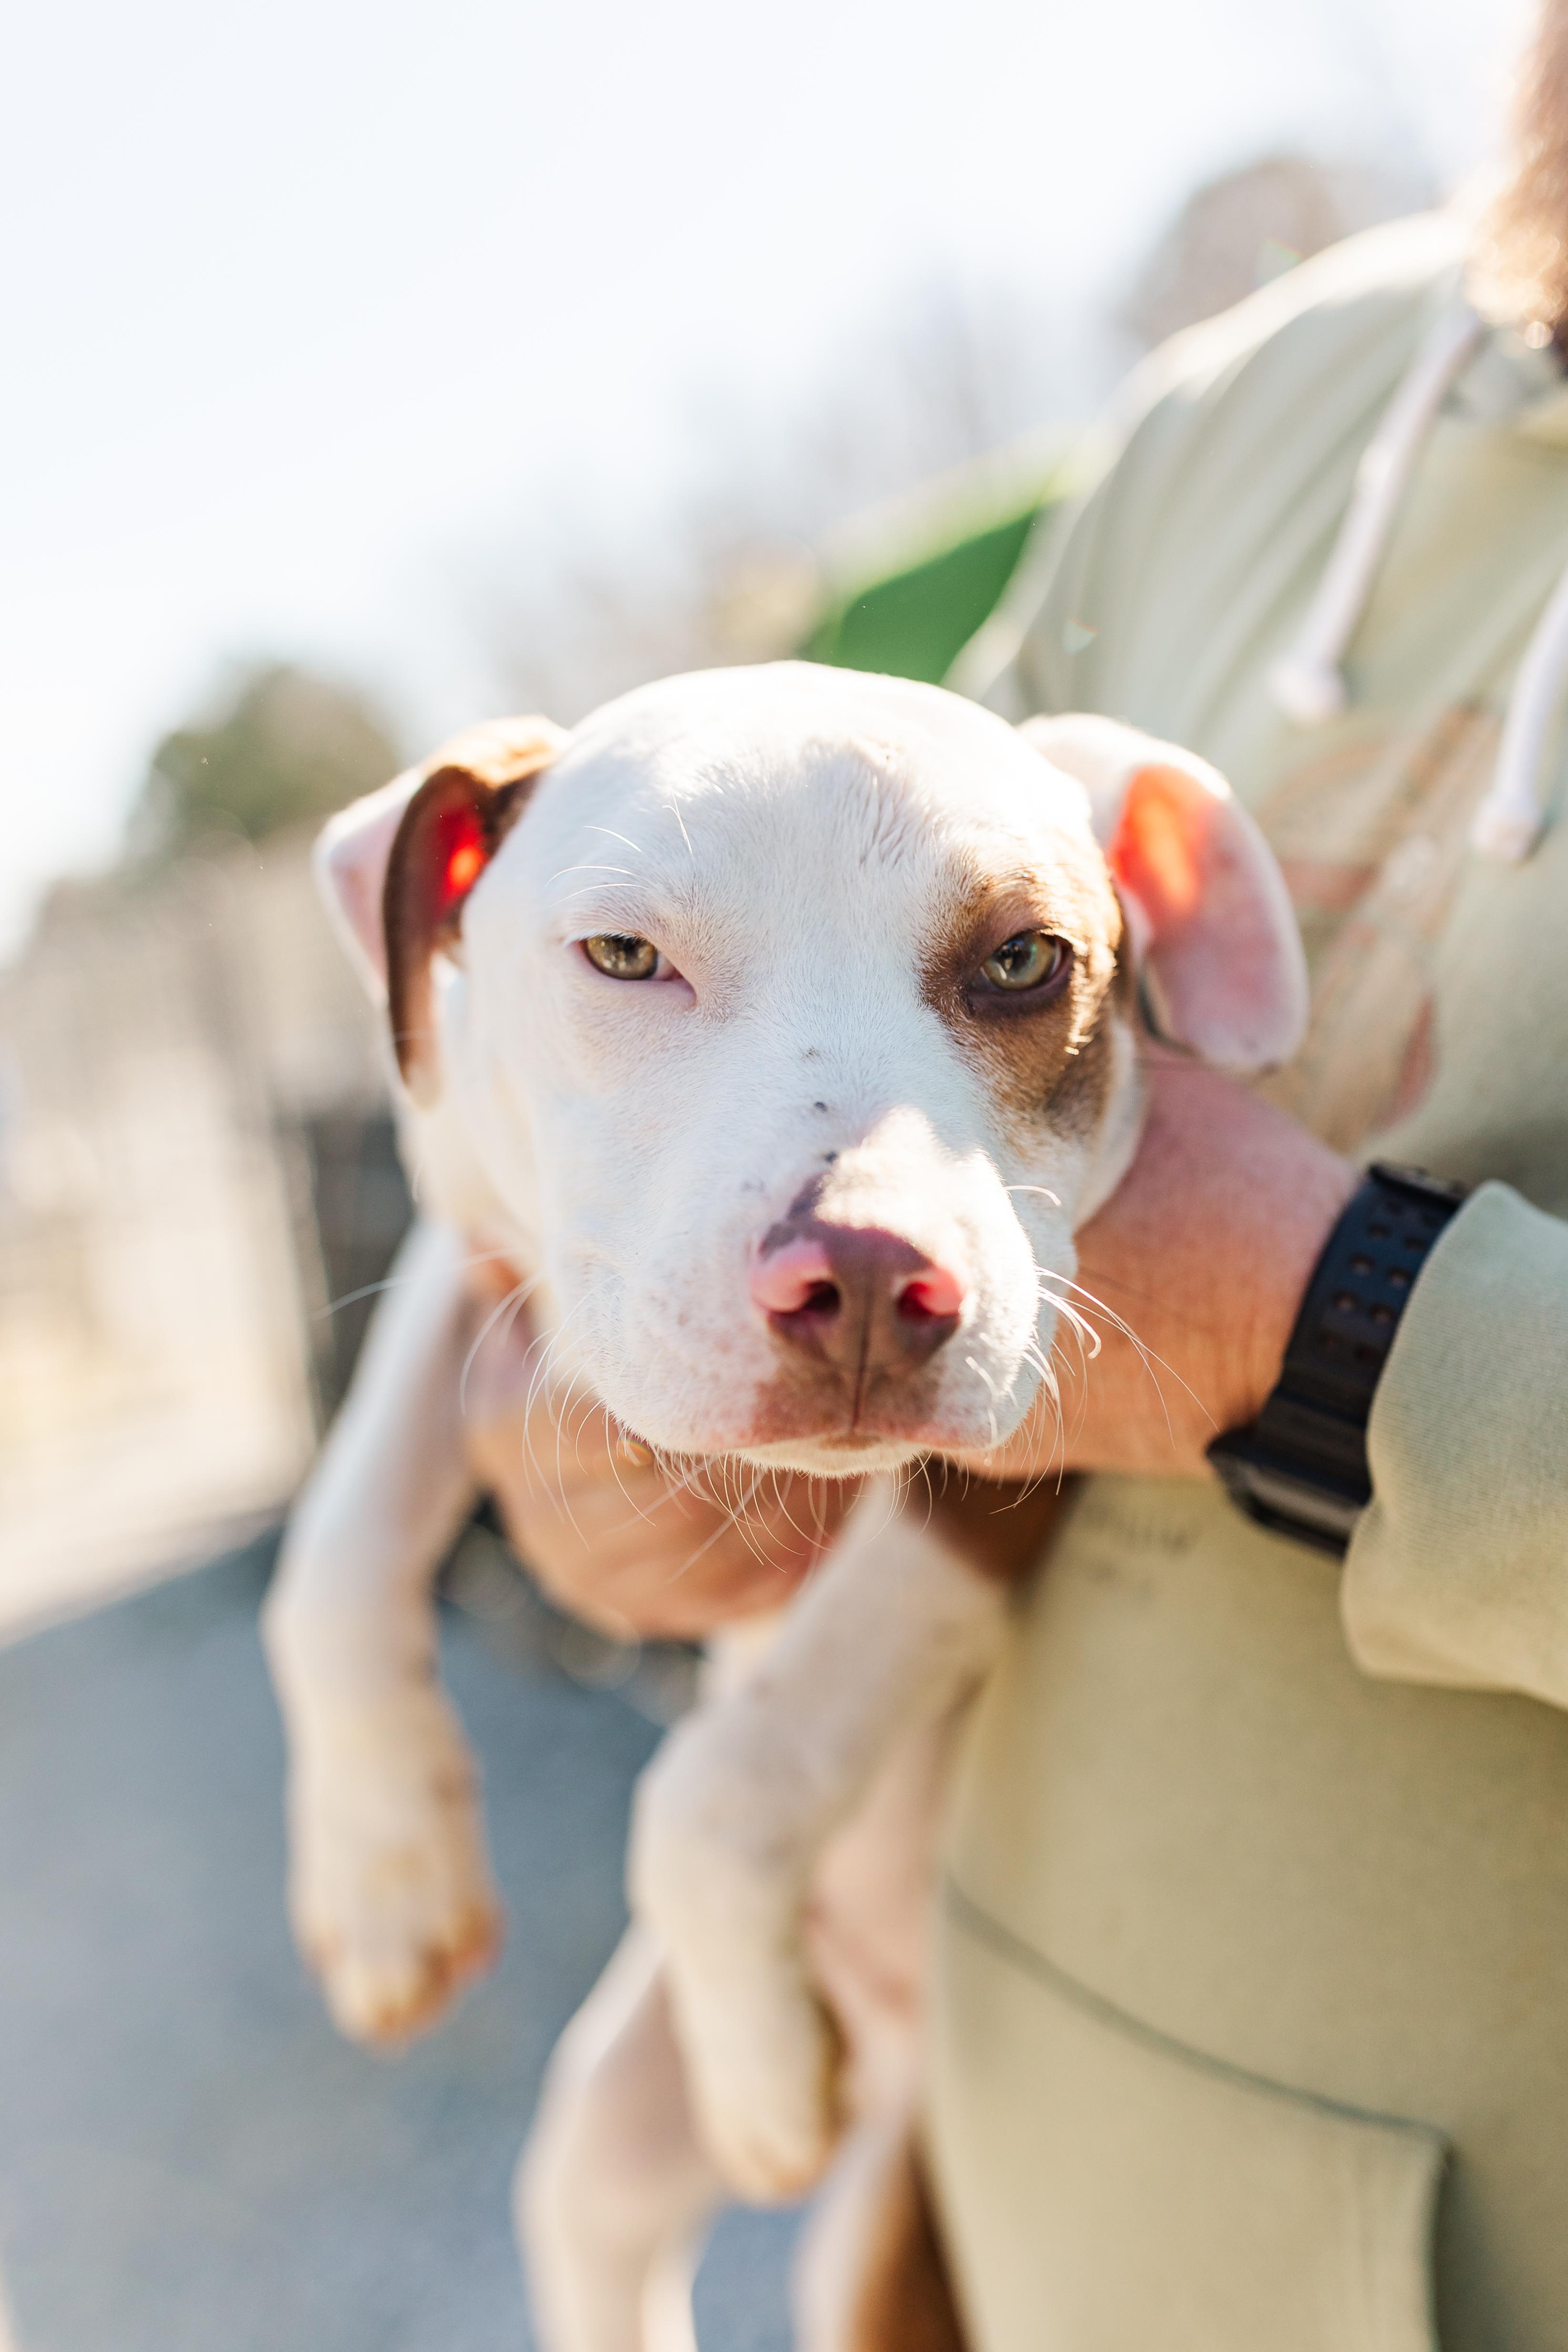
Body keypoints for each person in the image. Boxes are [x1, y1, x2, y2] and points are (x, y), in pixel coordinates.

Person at [466, 8, 1568, 2341]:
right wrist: (548, 1400)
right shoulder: (1248, 414)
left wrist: (1341, 1331)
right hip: (989, 2189)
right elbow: (802, 946)